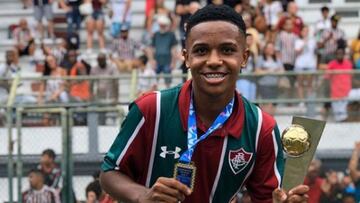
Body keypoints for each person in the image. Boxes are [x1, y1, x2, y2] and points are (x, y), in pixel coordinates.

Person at [100, 4, 308, 203]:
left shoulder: (262, 129)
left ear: (244, 57)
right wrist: (143, 196)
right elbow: (110, 172)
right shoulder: (151, 109)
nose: (214, 60)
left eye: (227, 50)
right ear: (186, 57)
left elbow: (268, 197)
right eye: (201, 51)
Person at [256, 42, 284, 115]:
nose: (271, 49)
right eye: (269, 48)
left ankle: (272, 123)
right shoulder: (261, 58)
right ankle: (266, 123)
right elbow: (257, 71)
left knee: (274, 105)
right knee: (267, 104)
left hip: (275, 85)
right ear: (265, 50)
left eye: (272, 48)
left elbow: (282, 71)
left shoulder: (277, 59)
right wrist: (269, 71)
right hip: (264, 85)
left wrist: (271, 71)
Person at [326, 47, 352, 122]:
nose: (339, 55)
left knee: (345, 117)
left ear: (344, 54)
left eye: (341, 53)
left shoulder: (348, 63)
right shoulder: (331, 64)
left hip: (347, 93)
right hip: (335, 95)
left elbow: (352, 77)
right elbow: (326, 78)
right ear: (335, 55)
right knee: (339, 119)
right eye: (338, 53)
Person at [151, 15, 177, 88]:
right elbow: (153, 49)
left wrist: (173, 62)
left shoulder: (171, 35)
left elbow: (174, 49)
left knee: (168, 82)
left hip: (167, 61)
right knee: (154, 81)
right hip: (157, 61)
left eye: (164, 25)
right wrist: (152, 60)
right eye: (161, 25)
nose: (162, 27)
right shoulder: (156, 34)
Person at [294, 25, 317, 107]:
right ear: (301, 32)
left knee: (309, 84)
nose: (306, 33)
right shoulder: (298, 41)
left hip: (310, 64)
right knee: (300, 83)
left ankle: (309, 100)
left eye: (307, 31)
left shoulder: (312, 41)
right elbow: (297, 52)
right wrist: (304, 43)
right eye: (304, 31)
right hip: (300, 64)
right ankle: (301, 101)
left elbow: (315, 52)